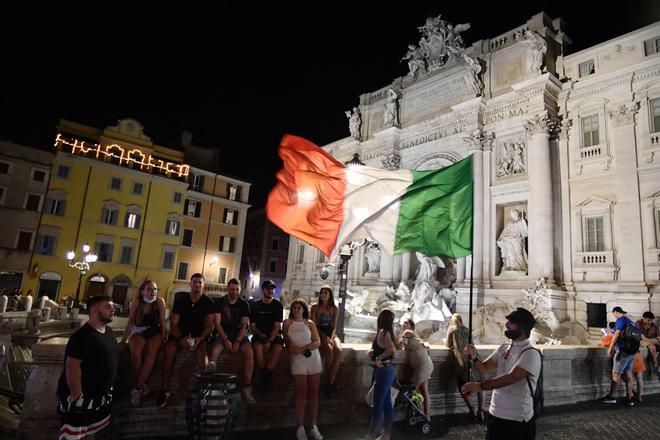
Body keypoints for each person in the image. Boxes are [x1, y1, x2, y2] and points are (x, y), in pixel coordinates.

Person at [462, 307, 542, 440]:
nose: (507, 324)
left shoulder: (531, 353)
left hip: (518, 418)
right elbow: (483, 368)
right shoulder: (504, 348)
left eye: (512, 322)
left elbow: (512, 377)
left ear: (522, 327)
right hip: (496, 413)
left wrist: (479, 386)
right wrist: (474, 357)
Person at [56, 295, 118, 440]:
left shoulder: (108, 332)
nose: (113, 310)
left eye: (113, 306)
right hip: (82, 399)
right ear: (94, 310)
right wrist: (78, 397)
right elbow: (72, 366)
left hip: (100, 398)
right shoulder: (82, 336)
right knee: (73, 436)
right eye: (108, 307)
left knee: (91, 433)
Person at [156, 273, 215, 407]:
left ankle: (204, 390)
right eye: (195, 282)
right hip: (180, 335)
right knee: (169, 351)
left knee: (203, 354)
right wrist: (181, 339)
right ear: (190, 284)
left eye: (200, 282)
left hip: (198, 336)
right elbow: (174, 323)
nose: (197, 285)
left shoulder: (208, 302)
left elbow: (210, 325)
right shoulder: (181, 300)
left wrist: (200, 338)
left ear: (203, 285)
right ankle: (164, 389)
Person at [207, 278, 255, 404]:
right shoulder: (219, 302)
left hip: (238, 333)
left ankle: (247, 386)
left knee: (249, 352)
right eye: (232, 289)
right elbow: (217, 324)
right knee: (215, 350)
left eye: (237, 290)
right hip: (224, 332)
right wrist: (226, 340)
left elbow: (244, 325)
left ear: (240, 290)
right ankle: (209, 382)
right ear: (227, 289)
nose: (234, 292)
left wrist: (238, 342)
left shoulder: (244, 304)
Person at [120, 280, 167, 406]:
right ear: (142, 291)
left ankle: (138, 389)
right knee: (135, 354)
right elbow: (130, 321)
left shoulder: (160, 302)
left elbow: (162, 321)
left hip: (154, 331)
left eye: (155, 289)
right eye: (149, 289)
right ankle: (141, 385)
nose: (153, 292)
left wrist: (163, 337)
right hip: (138, 330)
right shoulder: (137, 302)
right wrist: (123, 340)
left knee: (151, 355)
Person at [283, 298, 323, 440]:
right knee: (302, 392)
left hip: (313, 359)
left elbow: (318, 341)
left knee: (314, 392)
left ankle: (313, 426)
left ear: (303, 310)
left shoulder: (310, 323)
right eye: (294, 308)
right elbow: (286, 342)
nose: (296, 310)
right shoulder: (287, 323)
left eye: (299, 308)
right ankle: (300, 426)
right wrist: (294, 349)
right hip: (297, 360)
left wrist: (304, 348)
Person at [366, 309, 398, 440]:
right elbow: (387, 348)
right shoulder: (388, 332)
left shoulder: (384, 332)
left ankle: (372, 435)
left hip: (384, 370)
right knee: (386, 404)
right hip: (388, 370)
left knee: (378, 404)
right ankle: (386, 435)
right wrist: (373, 353)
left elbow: (391, 349)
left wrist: (378, 357)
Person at [446, 313, 484, 421]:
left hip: (461, 362)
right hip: (473, 359)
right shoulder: (467, 329)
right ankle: (481, 412)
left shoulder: (452, 330)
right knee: (480, 386)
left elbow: (448, 345)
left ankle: (471, 409)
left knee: (461, 386)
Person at [599, 306, 638, 406]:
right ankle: (629, 399)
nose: (614, 316)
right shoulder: (630, 321)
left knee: (616, 374)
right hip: (632, 352)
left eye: (614, 314)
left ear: (615, 312)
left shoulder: (620, 320)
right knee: (628, 375)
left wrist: (611, 348)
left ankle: (611, 396)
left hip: (623, 352)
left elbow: (616, 334)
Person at [250, 279, 285, 392]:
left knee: (278, 349)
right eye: (268, 288)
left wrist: (270, 340)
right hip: (259, 335)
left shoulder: (278, 305)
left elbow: (277, 326)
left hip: (273, 336)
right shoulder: (255, 305)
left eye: (272, 289)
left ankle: (265, 377)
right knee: (258, 348)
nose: (270, 291)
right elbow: (253, 327)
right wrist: (261, 336)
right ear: (263, 290)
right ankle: (266, 378)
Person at [310, 285, 342, 398]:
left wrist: (331, 337)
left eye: (326, 293)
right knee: (329, 351)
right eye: (322, 293)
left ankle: (330, 383)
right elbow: (312, 325)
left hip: (331, 334)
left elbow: (334, 326)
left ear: (330, 295)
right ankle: (331, 383)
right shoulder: (314, 307)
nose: (323, 295)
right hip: (318, 333)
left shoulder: (334, 308)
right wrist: (324, 337)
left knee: (338, 350)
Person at [398, 318, 433, 421]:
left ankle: (414, 413)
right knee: (423, 390)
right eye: (403, 323)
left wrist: (397, 337)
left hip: (423, 366)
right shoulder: (413, 334)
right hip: (425, 365)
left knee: (412, 390)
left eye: (406, 323)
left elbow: (399, 346)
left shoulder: (407, 332)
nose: (404, 324)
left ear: (411, 326)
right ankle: (426, 415)